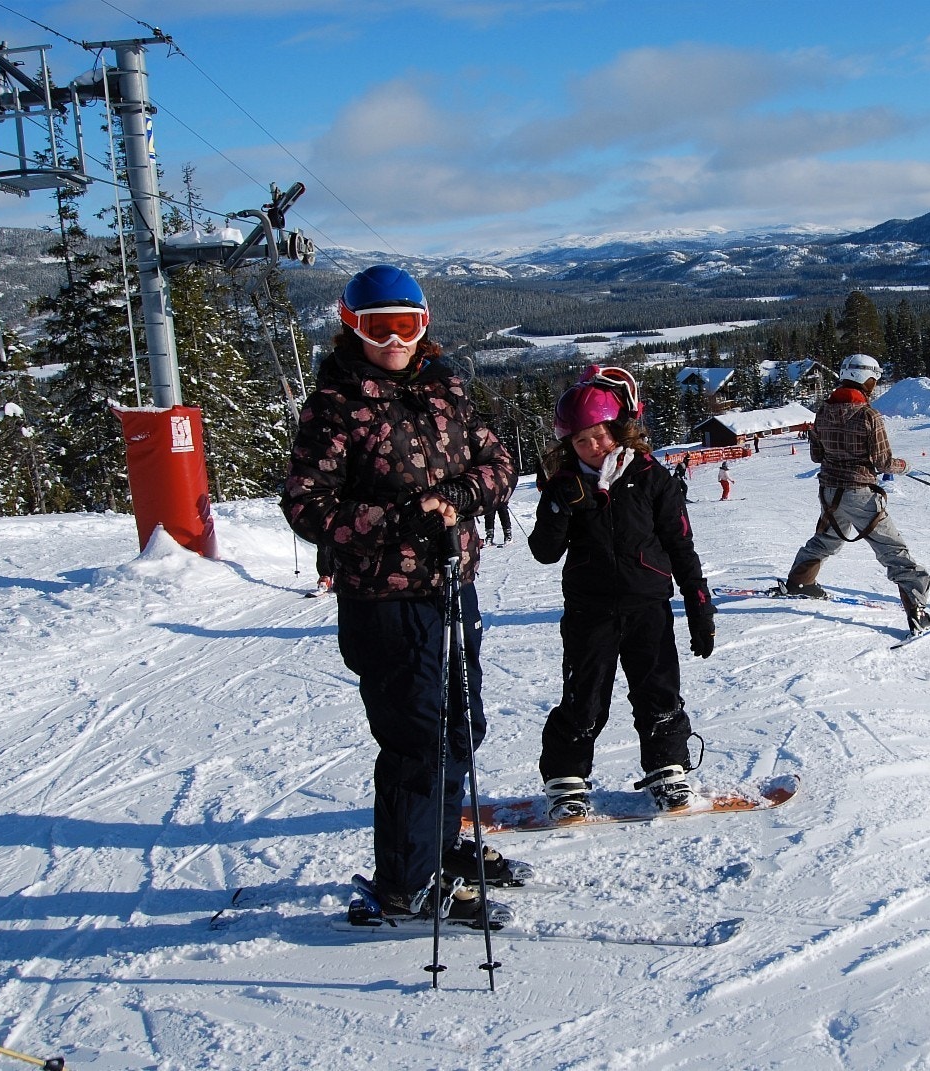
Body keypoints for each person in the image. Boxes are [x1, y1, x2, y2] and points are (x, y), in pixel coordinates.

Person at [281, 265, 521, 921]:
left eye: (405, 324)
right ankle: (407, 880)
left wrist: (459, 498)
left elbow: (498, 462)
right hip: (384, 601)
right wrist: (404, 520)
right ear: (350, 325)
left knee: (460, 726)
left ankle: (437, 848)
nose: (393, 339)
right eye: (376, 326)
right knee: (418, 738)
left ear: (424, 325)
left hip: (449, 584)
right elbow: (307, 505)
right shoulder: (336, 404)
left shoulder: (445, 386)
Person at [528, 365, 715, 820]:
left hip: (648, 605)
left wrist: (698, 603)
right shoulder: (565, 485)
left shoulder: (653, 478)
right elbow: (544, 552)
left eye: (600, 435)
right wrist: (557, 506)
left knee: (658, 691)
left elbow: (680, 545)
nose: (593, 448)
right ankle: (566, 780)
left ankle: (668, 769)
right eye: (580, 441)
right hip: (589, 610)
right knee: (584, 696)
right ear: (567, 445)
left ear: (619, 430)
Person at [773, 353, 930, 637]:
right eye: (874, 379)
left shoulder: (822, 412)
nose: (874, 385)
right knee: (893, 551)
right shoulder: (868, 415)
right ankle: (917, 612)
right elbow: (884, 463)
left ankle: (800, 583)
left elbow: (815, 456)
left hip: (830, 491)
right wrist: (904, 466)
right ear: (866, 379)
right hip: (860, 493)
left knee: (825, 539)